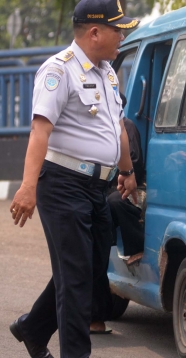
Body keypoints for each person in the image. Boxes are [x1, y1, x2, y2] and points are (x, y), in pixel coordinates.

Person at [8, 0, 139, 357]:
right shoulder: (59, 71)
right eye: (118, 29)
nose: (122, 35)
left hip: (96, 188)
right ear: (95, 32)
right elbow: (40, 130)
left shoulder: (107, 72)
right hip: (62, 186)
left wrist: (127, 172)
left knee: (91, 267)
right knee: (77, 279)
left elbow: (119, 129)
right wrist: (27, 186)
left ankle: (32, 328)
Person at [90, 93, 146, 335]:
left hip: (127, 187)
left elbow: (133, 166)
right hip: (101, 191)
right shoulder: (96, 130)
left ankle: (136, 246)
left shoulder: (127, 127)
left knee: (115, 200)